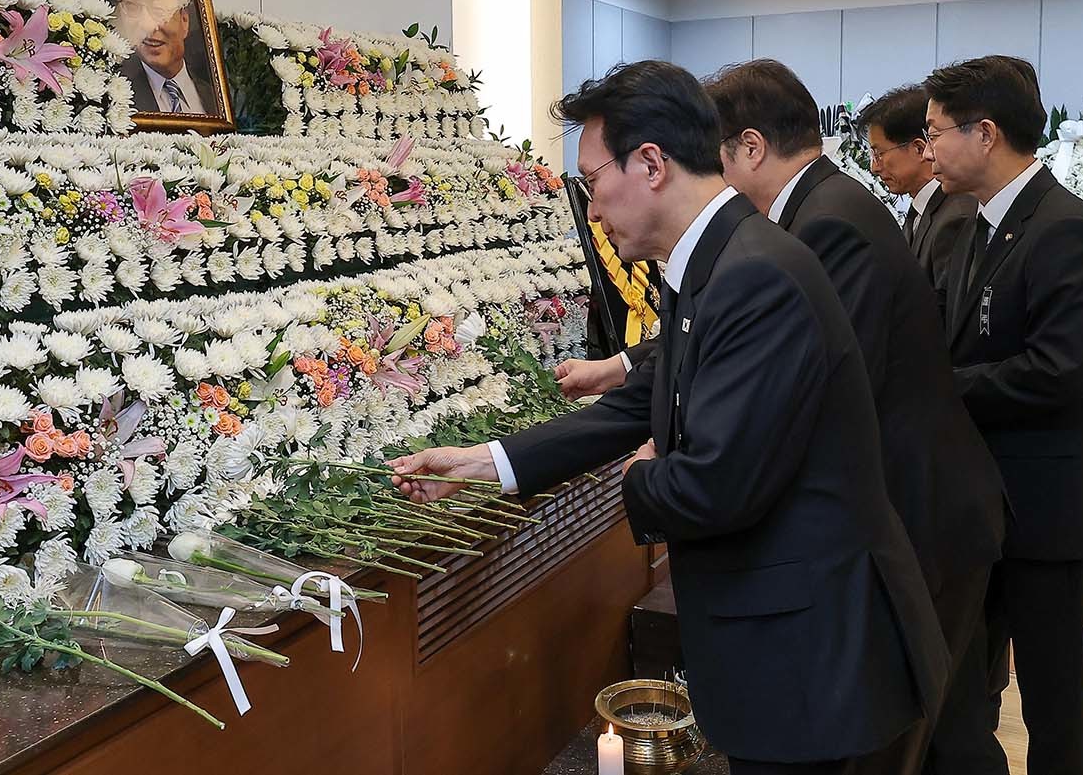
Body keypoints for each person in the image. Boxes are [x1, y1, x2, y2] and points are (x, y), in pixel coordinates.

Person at [389, 60, 948, 774]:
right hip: (786, 650)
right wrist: (483, 463)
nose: (590, 210)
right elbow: (637, 404)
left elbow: (714, 485)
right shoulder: (716, 261)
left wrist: (641, 477)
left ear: (651, 164)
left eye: (594, 182)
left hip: (811, 662)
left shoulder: (753, 276)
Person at [703, 59, 1005, 775]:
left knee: (940, 734)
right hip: (922, 499)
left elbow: (831, 381)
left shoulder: (826, 222)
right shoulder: (823, 206)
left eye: (713, 156)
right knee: (940, 724)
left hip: (924, 508)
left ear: (749, 147)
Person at [922, 55, 1083, 775]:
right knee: (970, 682)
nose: (927, 150)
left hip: (1053, 510)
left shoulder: (1065, 227)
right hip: (987, 502)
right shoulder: (970, 223)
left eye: (935, 132)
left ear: (985, 134)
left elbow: (1059, 370)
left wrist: (940, 387)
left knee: (1054, 698)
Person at [858, 85, 978, 295]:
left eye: (879, 154)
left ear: (920, 148)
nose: (874, 167)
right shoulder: (922, 211)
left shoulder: (955, 217)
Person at [110, 0, 214, 115]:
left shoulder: (215, 98)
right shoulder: (113, 97)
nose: (146, 24)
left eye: (158, 8)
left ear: (184, 19)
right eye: (130, 5)